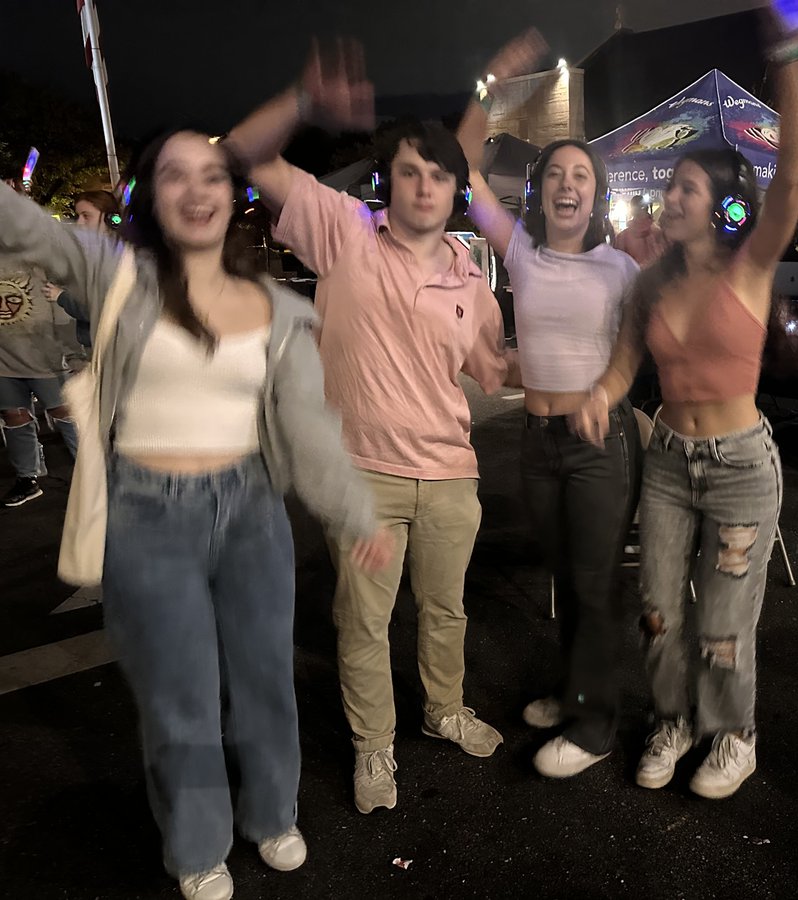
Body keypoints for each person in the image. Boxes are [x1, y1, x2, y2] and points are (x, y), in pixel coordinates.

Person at [0, 132, 392, 900]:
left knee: (264, 680)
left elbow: (310, 427)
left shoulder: (278, 307)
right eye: (174, 175)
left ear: (231, 194)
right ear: (150, 195)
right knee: (180, 695)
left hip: (251, 511)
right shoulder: (112, 273)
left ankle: (273, 812)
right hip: (148, 519)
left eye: (213, 174)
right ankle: (197, 843)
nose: (197, 189)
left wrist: (355, 512)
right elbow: (25, 229)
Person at [224, 42, 517, 816]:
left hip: (452, 474)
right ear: (394, 180)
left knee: (447, 610)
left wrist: (590, 356)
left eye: (441, 174)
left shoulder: (470, 275)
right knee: (363, 620)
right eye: (412, 171)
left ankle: (444, 708)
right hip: (363, 478)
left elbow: (496, 369)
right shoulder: (346, 230)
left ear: (458, 189)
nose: (425, 186)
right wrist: (301, 99)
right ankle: (373, 748)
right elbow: (244, 155)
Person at [569, 0, 798, 799]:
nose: (667, 199)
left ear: (714, 201)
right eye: (667, 188)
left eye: (682, 187)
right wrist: (598, 397)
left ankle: (731, 735)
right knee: (657, 611)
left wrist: (793, 52)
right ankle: (673, 721)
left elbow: (790, 168)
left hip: (742, 466)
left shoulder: (749, 264)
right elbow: (621, 369)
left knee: (722, 625)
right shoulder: (649, 286)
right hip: (671, 464)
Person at [457, 31, 644, 779]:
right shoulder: (521, 251)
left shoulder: (621, 267)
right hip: (536, 442)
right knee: (566, 576)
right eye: (558, 174)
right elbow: (463, 166)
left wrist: (604, 392)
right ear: (541, 190)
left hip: (599, 441)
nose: (570, 184)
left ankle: (597, 727)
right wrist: (491, 80)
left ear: (596, 196)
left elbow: (632, 356)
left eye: (584, 177)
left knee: (595, 581)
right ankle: (577, 692)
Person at [0, 175, 80, 507]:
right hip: (5, 357)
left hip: (46, 352)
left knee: (64, 411)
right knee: (13, 415)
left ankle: (91, 473)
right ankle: (28, 477)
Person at [46, 190, 124, 353]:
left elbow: (98, 310)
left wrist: (60, 296)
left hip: (112, 347)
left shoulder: (116, 258)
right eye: (78, 216)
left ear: (110, 219)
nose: (80, 223)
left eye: (86, 216)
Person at [614, 195, 668, 267]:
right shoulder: (659, 233)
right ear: (647, 209)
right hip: (656, 276)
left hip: (633, 277)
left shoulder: (623, 237)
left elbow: (618, 266)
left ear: (632, 211)